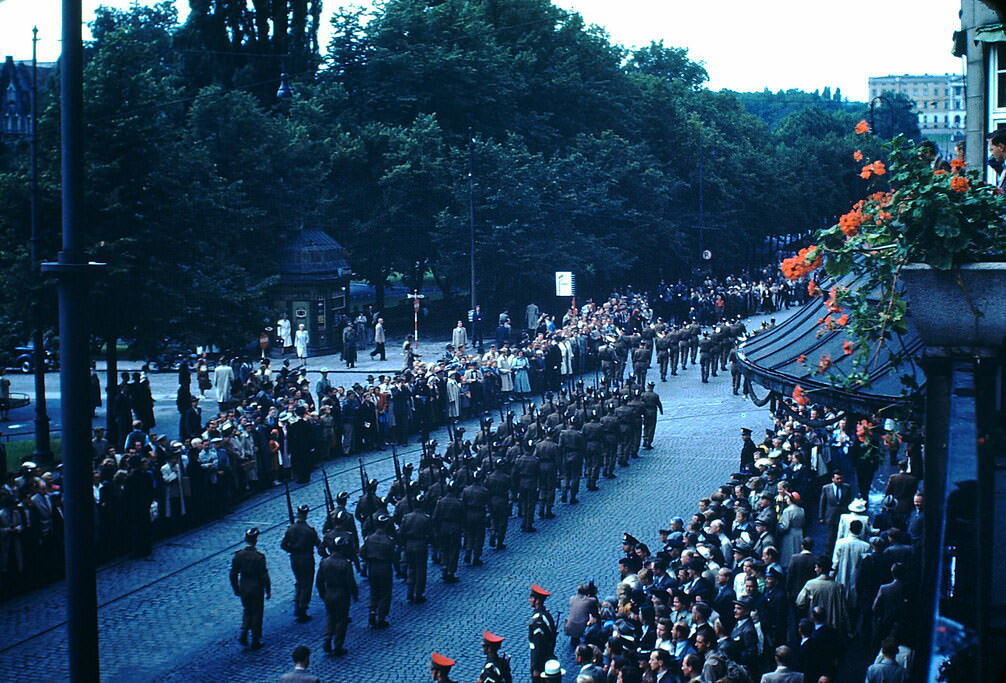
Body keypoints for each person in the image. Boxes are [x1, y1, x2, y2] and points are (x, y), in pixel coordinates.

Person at [281, 504, 324, 622]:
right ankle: (302, 608)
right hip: (307, 558)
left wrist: (293, 550)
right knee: (307, 583)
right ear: (306, 514)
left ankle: (297, 602)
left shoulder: (291, 529)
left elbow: (283, 545)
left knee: (299, 582)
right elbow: (318, 545)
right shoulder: (309, 530)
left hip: (294, 558)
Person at [315, 535, 357, 656]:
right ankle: (338, 646)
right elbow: (350, 582)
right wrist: (354, 594)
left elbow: (319, 581)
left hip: (329, 592)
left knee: (330, 616)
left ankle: (327, 637)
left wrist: (323, 593)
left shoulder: (324, 562)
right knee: (341, 620)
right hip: (341, 593)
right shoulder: (345, 564)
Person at [230, 527, 270, 649]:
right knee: (257, 613)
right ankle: (255, 639)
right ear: (256, 540)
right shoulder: (259, 557)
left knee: (247, 610)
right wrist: (268, 590)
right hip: (256, 587)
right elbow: (264, 575)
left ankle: (244, 632)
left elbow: (233, 574)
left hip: (244, 587)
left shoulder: (238, 555)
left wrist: (236, 588)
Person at [360, 513, 396, 627]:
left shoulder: (369, 538)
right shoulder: (388, 540)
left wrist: (367, 561)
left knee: (374, 591)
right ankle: (381, 617)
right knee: (385, 593)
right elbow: (393, 556)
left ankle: (372, 612)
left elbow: (362, 552)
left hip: (372, 567)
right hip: (384, 567)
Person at [528, 584, 557, 681]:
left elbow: (538, 644)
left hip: (541, 661)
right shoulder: (546, 615)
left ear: (538, 600)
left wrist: (535, 667)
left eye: (532, 597)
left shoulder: (538, 621)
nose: (530, 600)